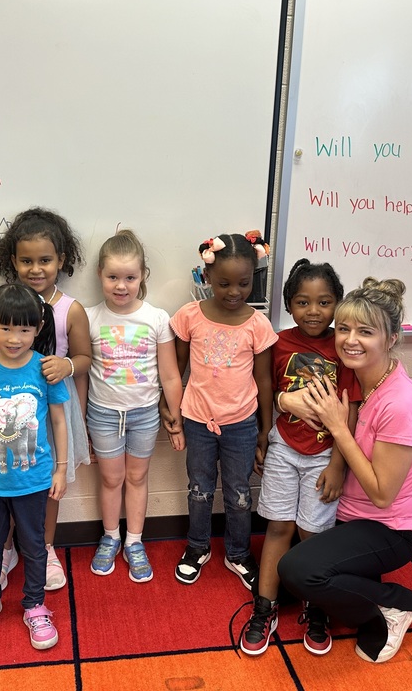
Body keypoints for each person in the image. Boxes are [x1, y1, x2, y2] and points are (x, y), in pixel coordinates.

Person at [277, 277, 412, 664]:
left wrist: (337, 426)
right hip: (347, 513)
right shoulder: (368, 382)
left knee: (298, 570)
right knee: (285, 583)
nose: (350, 340)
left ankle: (396, 604)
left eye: (366, 332)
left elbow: (382, 493)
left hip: (388, 528)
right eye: (343, 329)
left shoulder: (401, 403)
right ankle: (364, 587)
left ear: (391, 337)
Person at [240, 259, 360, 656]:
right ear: (289, 305)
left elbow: (351, 411)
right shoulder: (279, 343)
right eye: (303, 302)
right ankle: (264, 608)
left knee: (313, 534)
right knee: (278, 529)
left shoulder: (343, 349)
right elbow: (265, 392)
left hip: (324, 456)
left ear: (337, 305)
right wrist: (263, 438)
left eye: (324, 302)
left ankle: (318, 606)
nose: (314, 311)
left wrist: (339, 465)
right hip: (284, 449)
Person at [0, 207, 90, 591]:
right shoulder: (2, 305)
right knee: (5, 481)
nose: (36, 268)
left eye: (45, 260)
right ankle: (5, 549)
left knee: (47, 480)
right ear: (13, 261)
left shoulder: (70, 308)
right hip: (5, 406)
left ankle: (46, 545)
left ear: (61, 260)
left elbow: (86, 358)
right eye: (26, 261)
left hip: (50, 408)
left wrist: (67, 366)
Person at [0, 284, 69, 650]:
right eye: (6, 328)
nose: (14, 337)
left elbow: (58, 421)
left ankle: (35, 606)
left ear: (38, 328)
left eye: (24, 329)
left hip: (34, 479)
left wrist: (60, 469)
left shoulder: (45, 369)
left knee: (35, 545)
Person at [170, 233, 277, 590]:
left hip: (242, 424)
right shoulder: (189, 316)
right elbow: (177, 369)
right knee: (199, 487)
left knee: (239, 492)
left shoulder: (258, 325)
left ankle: (238, 552)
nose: (234, 291)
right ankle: (197, 546)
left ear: (254, 278)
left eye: (244, 283)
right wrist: (168, 408)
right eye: (224, 283)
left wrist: (265, 429)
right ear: (207, 276)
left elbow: (264, 380)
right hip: (198, 419)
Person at [85, 230, 184, 582]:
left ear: (142, 276)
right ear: (100, 275)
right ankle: (110, 535)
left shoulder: (156, 319)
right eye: (113, 277)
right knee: (111, 478)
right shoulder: (90, 317)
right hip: (103, 413)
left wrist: (177, 416)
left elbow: (170, 375)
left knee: (138, 476)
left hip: (144, 414)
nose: (121, 285)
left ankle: (135, 541)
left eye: (130, 277)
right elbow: (82, 372)